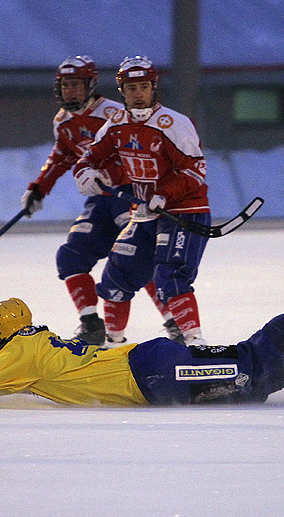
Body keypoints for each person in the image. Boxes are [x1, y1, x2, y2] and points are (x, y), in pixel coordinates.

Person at [0, 275, 284, 407]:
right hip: (152, 366)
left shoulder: (16, 354)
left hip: (151, 374)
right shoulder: (39, 340)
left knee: (248, 372)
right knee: (247, 374)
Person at [19, 55, 180, 347]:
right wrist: (38, 188)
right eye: (66, 85)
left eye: (76, 85)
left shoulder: (114, 114)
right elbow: (63, 155)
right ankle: (91, 325)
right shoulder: (63, 121)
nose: (70, 91)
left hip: (130, 195)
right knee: (70, 256)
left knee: (135, 257)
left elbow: (138, 154)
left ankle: (175, 323)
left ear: (91, 85)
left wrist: (107, 172)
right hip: (100, 202)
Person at [72, 55, 210, 347]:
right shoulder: (116, 124)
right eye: (132, 88)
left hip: (183, 213)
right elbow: (90, 158)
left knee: (170, 278)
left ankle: (194, 344)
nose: (138, 94)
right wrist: (86, 173)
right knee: (114, 279)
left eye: (144, 87)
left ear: (153, 88)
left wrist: (165, 194)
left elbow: (195, 169)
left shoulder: (174, 123)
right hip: (144, 213)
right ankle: (112, 347)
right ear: (121, 91)